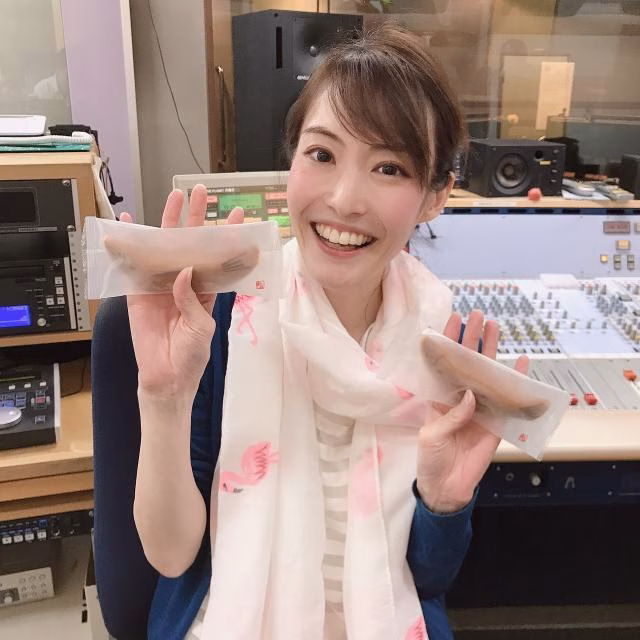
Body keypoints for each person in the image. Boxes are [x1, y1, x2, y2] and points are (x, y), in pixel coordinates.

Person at [123, 22, 528, 640]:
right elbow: (173, 557)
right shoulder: (224, 319)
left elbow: (426, 578)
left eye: (388, 167)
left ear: (435, 196)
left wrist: (442, 500)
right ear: (291, 162)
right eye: (322, 155)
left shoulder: (441, 344)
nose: (343, 199)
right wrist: (163, 397)